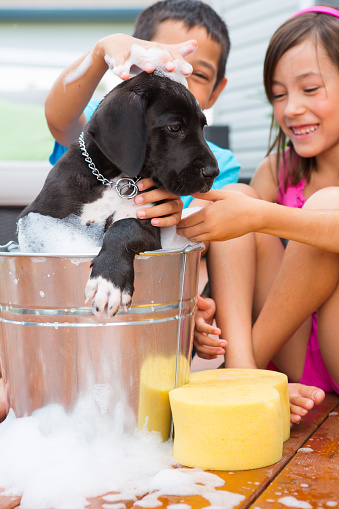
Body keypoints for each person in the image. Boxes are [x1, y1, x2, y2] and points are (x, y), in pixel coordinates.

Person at [177, 5, 339, 423]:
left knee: (322, 209)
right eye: (279, 94)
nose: (291, 110)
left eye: (310, 89)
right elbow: (225, 247)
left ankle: (246, 378)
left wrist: (262, 216)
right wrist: (195, 310)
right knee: (237, 195)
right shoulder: (279, 170)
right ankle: (246, 375)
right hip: (290, 352)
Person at [45, 0, 240, 223]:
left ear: (215, 93)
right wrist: (101, 53)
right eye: (163, 64)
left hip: (165, 255)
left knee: (240, 192)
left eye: (198, 75)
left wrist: (180, 219)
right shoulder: (107, 122)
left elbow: (201, 241)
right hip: (79, 250)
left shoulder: (219, 163)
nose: (180, 80)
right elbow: (60, 119)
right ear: (133, 66)